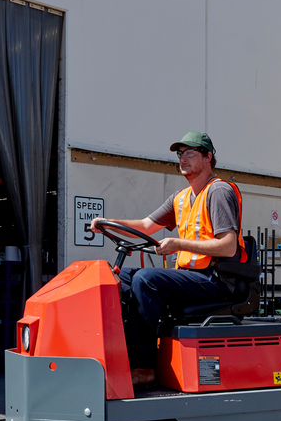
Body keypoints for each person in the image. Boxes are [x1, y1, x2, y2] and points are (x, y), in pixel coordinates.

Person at [93, 131, 249, 386]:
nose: (182, 159)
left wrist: (178, 244)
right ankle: (119, 357)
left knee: (145, 279)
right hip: (191, 278)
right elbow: (144, 225)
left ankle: (145, 368)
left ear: (208, 157)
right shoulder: (180, 198)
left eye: (190, 153)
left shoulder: (218, 191)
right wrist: (107, 224)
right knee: (121, 277)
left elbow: (229, 246)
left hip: (216, 281)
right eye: (180, 154)